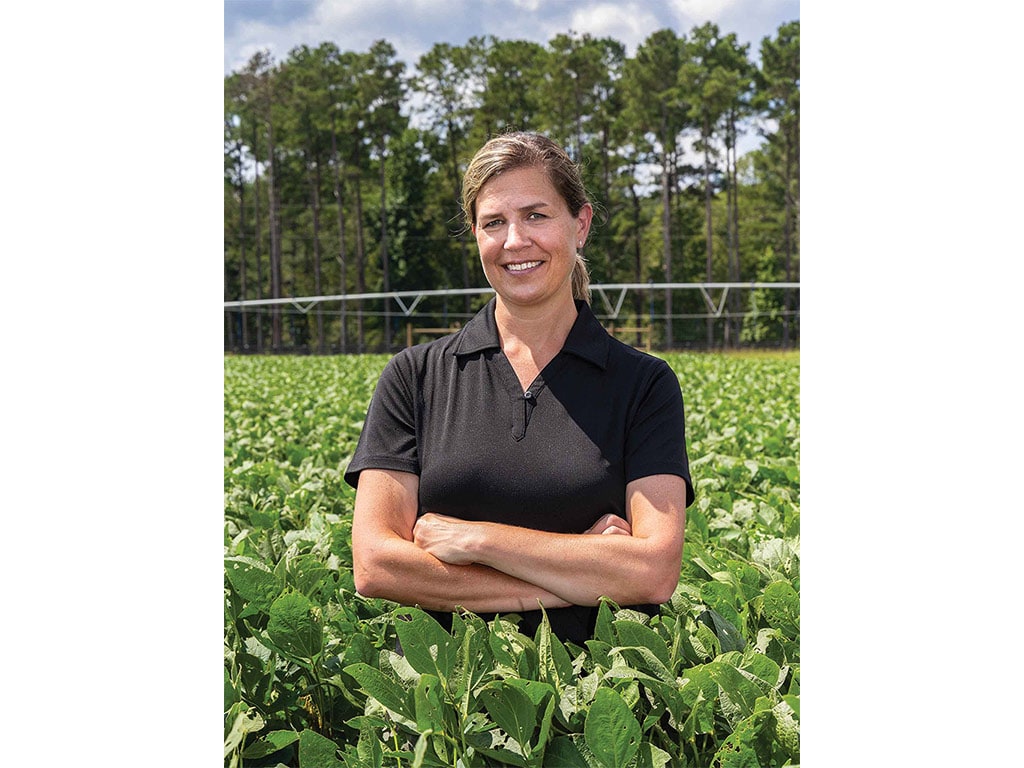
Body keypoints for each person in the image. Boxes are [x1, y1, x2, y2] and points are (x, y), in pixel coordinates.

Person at [343, 131, 695, 646]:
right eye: (494, 223)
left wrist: (476, 539)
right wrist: (581, 574)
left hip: (600, 698)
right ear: (475, 235)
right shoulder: (414, 376)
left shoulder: (645, 385)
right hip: (449, 707)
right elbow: (376, 566)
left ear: (581, 224)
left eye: (536, 215)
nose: (514, 241)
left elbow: (653, 572)